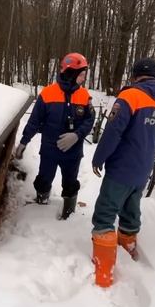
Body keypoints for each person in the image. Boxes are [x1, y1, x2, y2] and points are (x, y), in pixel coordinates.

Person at [90, 57, 155, 287]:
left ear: (135, 75)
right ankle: (128, 245)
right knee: (130, 208)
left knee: (106, 212)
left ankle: (104, 271)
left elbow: (113, 131)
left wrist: (99, 157)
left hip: (122, 167)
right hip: (143, 168)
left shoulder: (130, 96)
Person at [15, 52, 95, 220]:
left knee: (70, 182)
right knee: (44, 179)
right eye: (81, 75)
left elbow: (90, 120)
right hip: (49, 150)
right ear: (71, 74)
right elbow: (34, 121)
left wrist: (76, 135)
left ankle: (68, 213)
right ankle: (42, 202)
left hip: (72, 152)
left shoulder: (84, 96)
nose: (83, 79)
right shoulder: (48, 93)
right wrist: (24, 141)